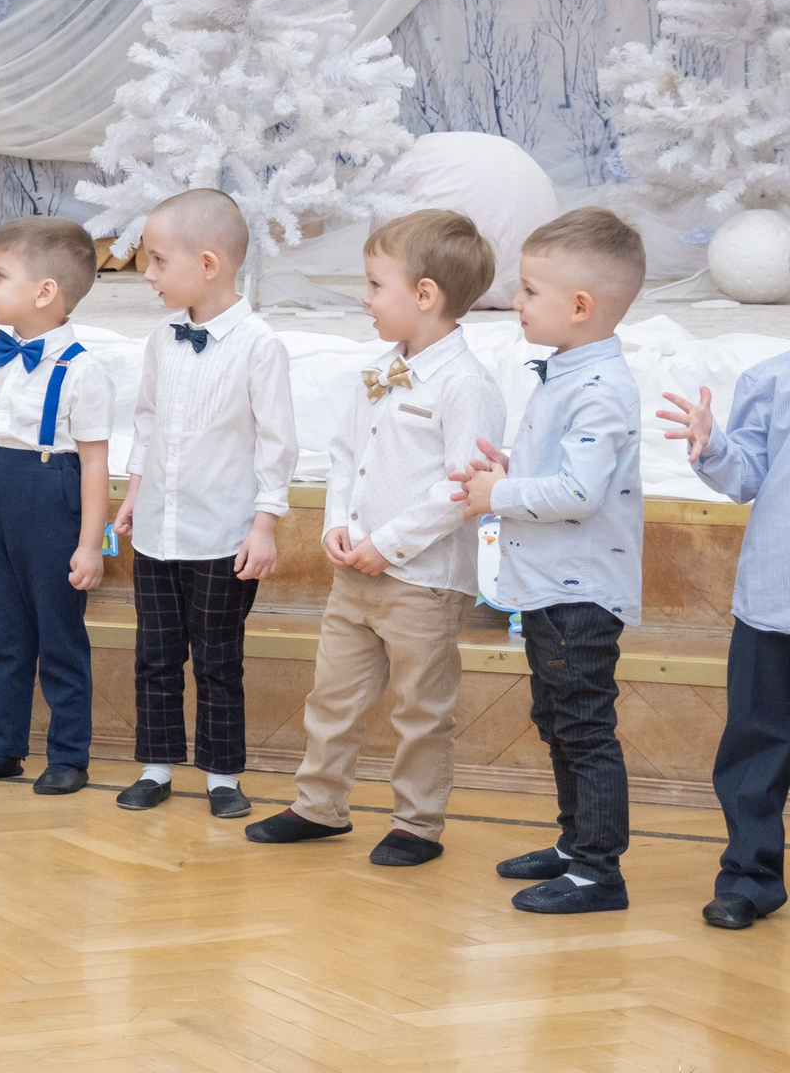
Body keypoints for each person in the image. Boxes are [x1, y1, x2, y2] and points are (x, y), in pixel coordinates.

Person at [246, 210, 503, 862]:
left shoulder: (465, 383)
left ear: (425, 295)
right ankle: (320, 803)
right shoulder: (383, 368)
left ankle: (418, 822)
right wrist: (338, 522)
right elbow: (343, 450)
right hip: (355, 572)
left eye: (373, 284)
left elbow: (462, 486)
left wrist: (387, 542)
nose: (364, 298)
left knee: (421, 707)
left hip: (421, 581)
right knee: (332, 693)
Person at [455, 208, 646, 914]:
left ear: (580, 306)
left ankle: (599, 871)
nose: (515, 302)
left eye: (530, 291)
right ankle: (575, 845)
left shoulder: (600, 387)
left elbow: (578, 492)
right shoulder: (570, 372)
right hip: (550, 585)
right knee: (556, 717)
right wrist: (511, 467)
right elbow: (561, 469)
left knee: (584, 726)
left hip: (580, 592)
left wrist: (496, 492)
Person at [109, 190, 296, 818]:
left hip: (223, 534)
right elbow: (147, 422)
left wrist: (264, 525)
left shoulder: (259, 345)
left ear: (209, 264)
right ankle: (156, 766)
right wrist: (135, 493)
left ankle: (222, 776)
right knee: (154, 656)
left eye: (159, 261)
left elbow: (277, 444)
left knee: (218, 660)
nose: (148, 273)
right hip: (159, 532)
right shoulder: (162, 340)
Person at [0, 217, 112, 795]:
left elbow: (93, 463)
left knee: (59, 638)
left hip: (52, 495)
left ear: (45, 293)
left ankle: (68, 755)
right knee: (4, 632)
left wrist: (90, 543)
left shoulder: (83, 370)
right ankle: (2, 746)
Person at [663, 351, 790, 930]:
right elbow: (745, 476)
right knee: (755, 748)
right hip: (775, 597)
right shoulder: (772, 378)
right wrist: (712, 445)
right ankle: (749, 877)